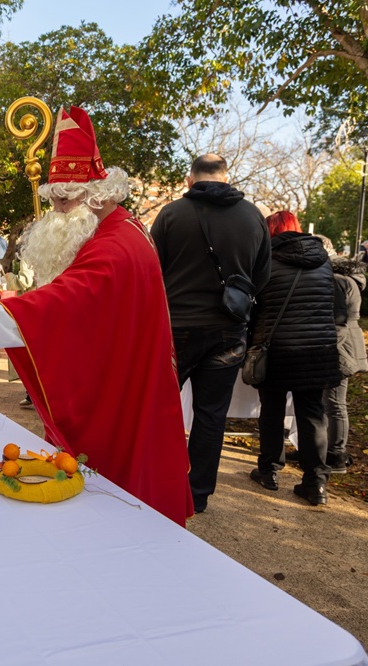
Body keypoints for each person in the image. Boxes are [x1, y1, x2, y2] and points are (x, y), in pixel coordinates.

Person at [0, 105, 193, 526]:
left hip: (122, 389)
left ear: (98, 192)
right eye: (54, 197)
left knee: (117, 497)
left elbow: (72, 300)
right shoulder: (117, 229)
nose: (57, 209)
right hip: (126, 372)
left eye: (66, 197)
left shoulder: (115, 245)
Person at [149, 153, 271, 514]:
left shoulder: (171, 214)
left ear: (191, 180)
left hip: (177, 327)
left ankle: (154, 478)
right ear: (226, 178)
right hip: (228, 330)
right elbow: (262, 277)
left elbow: (152, 269)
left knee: (158, 405)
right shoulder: (253, 216)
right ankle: (198, 492)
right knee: (211, 414)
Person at [248, 211, 340, 506]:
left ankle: (269, 472)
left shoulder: (266, 260)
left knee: (272, 410)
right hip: (318, 349)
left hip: (278, 348)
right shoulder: (323, 261)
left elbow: (255, 307)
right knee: (313, 414)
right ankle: (316, 483)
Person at [315, 234, 368, 473]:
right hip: (344, 343)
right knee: (329, 401)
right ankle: (325, 450)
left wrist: (323, 348)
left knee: (334, 401)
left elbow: (338, 321)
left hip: (340, 346)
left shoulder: (336, 279)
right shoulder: (342, 275)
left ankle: (335, 455)